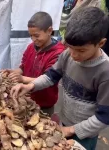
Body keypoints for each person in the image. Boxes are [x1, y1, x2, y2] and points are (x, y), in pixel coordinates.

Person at [10, 7, 109, 150]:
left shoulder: (105, 73)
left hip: (86, 133)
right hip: (64, 121)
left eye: (81, 50)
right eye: (70, 47)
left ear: (100, 43)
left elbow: (104, 117)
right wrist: (30, 86)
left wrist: (70, 130)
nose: (73, 55)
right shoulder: (67, 55)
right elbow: (51, 76)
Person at [1, 12, 65, 116]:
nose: (33, 39)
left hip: (44, 104)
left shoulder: (58, 53)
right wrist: (13, 73)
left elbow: (48, 79)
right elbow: (23, 66)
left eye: (36, 35)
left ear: (49, 31)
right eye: (31, 35)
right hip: (26, 98)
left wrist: (22, 79)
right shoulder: (31, 47)